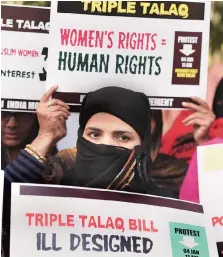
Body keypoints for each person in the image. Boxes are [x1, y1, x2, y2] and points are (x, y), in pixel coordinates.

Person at [2, 86, 175, 256]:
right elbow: (6, 199)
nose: (105, 144)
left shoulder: (165, 208)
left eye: (123, 137)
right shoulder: (53, 191)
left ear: (142, 145)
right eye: (94, 134)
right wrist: (45, 137)